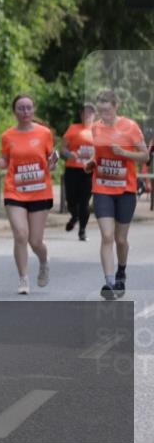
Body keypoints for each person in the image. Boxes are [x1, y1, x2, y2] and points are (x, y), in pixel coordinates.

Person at [82, 90, 148, 300]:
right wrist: (91, 162)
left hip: (125, 190)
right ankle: (110, 282)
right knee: (107, 236)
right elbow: (98, 153)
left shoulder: (130, 127)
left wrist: (124, 153)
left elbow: (145, 155)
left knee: (121, 239)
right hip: (102, 188)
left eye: (107, 110)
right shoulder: (96, 128)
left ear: (116, 106)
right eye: (101, 111)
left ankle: (121, 271)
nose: (104, 115)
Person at [0, 94, 58, 295]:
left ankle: (43, 261)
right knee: (21, 235)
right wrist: (1, 163)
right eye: (21, 108)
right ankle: (23, 279)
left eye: (28, 108)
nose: (25, 112)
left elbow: (50, 161)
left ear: (33, 110)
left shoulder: (44, 133)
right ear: (15, 111)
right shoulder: (8, 136)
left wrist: (53, 163)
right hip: (15, 190)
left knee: (35, 241)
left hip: (40, 191)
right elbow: (6, 159)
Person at [61, 103, 96, 241]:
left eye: (89, 113)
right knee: (70, 200)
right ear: (80, 115)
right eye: (84, 113)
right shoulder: (73, 128)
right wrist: (70, 154)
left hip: (88, 171)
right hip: (72, 169)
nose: (86, 115)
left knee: (84, 201)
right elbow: (63, 148)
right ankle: (74, 216)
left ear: (94, 115)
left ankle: (82, 230)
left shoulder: (99, 130)